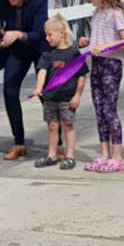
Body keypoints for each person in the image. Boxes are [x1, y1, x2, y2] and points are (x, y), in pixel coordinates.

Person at [0, 0, 54, 161]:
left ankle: (57, 143)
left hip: (38, 46)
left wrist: (18, 34)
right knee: (9, 91)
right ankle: (19, 143)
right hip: (15, 48)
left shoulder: (39, 0)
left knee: (45, 93)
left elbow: (40, 33)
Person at [78, 0, 124, 174]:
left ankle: (117, 156)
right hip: (97, 63)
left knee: (110, 110)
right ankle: (104, 154)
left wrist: (105, 46)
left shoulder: (116, 13)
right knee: (99, 109)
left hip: (111, 64)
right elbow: (99, 39)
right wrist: (88, 42)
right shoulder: (96, 13)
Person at [32, 15, 88, 171]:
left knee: (67, 126)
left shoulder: (74, 54)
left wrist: (77, 95)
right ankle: (52, 155)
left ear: (62, 34)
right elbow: (42, 71)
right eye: (46, 35)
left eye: (50, 35)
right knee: (52, 126)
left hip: (67, 99)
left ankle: (70, 156)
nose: (47, 38)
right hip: (50, 98)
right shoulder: (47, 54)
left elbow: (81, 76)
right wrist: (39, 87)